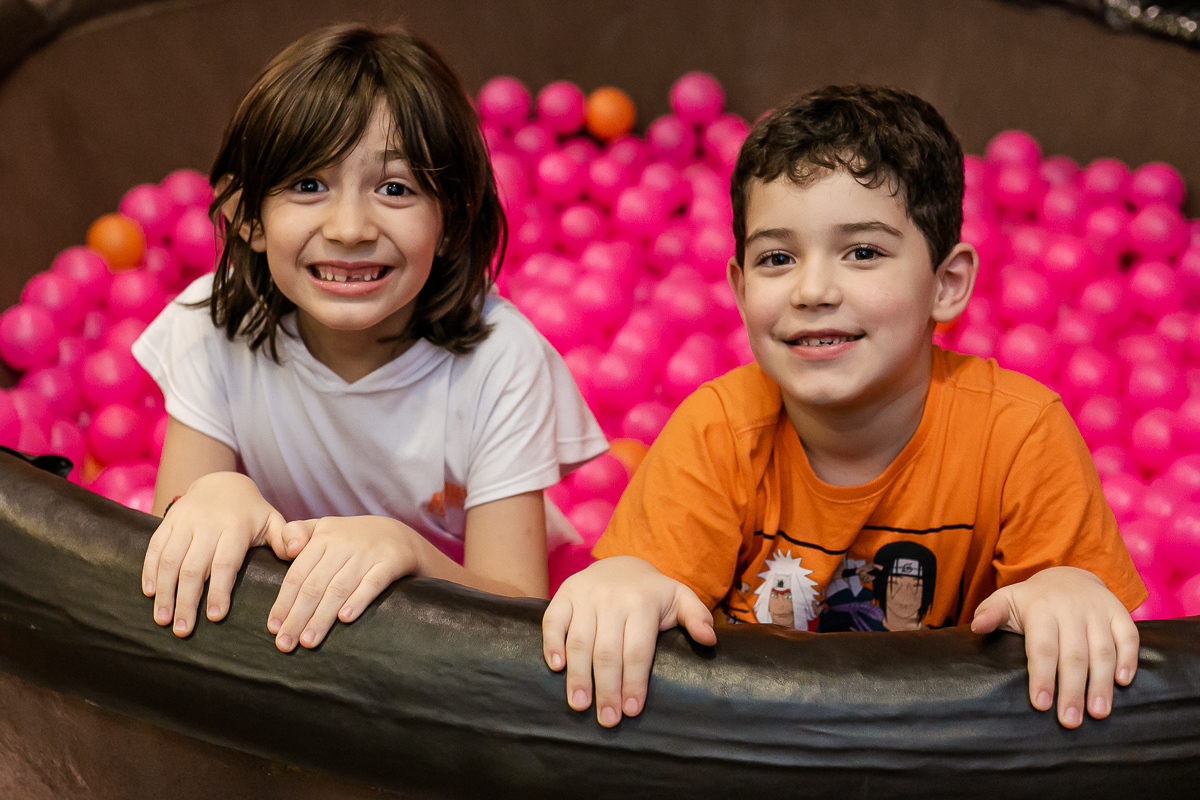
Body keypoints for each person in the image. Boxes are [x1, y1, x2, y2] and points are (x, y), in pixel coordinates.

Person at [542, 85, 1146, 731]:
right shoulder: (719, 431)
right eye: (777, 258)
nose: (813, 290)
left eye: (863, 252)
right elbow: (643, 601)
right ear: (740, 291)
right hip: (755, 744)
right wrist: (626, 583)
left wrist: (1067, 591)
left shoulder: (1019, 433)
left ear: (946, 285)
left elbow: (1083, 640)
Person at [133, 25, 607, 654]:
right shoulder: (212, 324)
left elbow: (517, 616)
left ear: (451, 221)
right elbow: (175, 554)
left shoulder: (501, 361)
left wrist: (409, 552)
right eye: (309, 184)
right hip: (305, 609)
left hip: (469, 612)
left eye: (394, 189)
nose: (350, 228)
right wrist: (213, 495)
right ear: (248, 216)